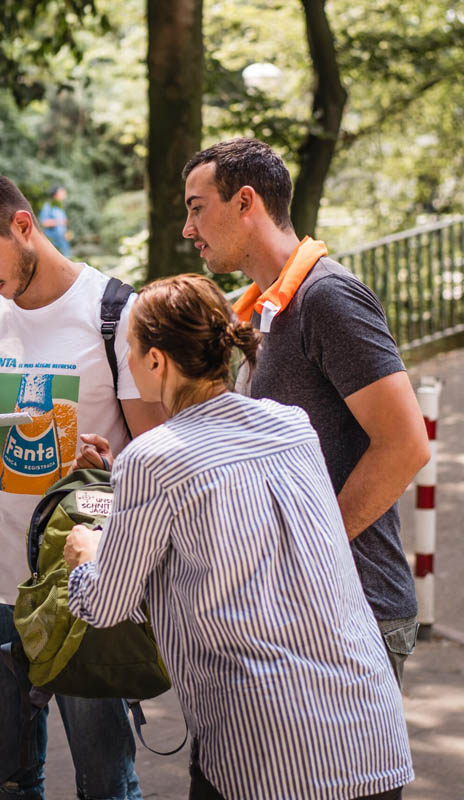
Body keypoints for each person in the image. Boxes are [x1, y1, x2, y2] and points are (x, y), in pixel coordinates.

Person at [64, 273, 414, 800]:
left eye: (130, 349)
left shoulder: (151, 459)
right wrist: (128, 488)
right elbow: (233, 517)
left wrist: (87, 554)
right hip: (370, 732)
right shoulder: (292, 425)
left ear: (156, 360)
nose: (127, 362)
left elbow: (105, 604)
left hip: (265, 749)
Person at [0, 173, 165, 800]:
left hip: (88, 589)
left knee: (107, 785)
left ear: (23, 226)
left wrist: (108, 466)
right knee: (8, 783)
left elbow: (162, 459)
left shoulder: (117, 313)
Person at [181, 138, 430, 685]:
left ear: (245, 202)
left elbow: (406, 445)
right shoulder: (263, 308)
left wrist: (310, 550)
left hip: (352, 610)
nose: (187, 229)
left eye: (197, 208)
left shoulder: (327, 297)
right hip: (296, 608)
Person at [39, 185, 71, 256]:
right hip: (53, 244)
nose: (64, 193)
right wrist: (60, 222)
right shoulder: (48, 206)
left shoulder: (60, 207)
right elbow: (44, 223)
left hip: (63, 243)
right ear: (55, 194)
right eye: (61, 191)